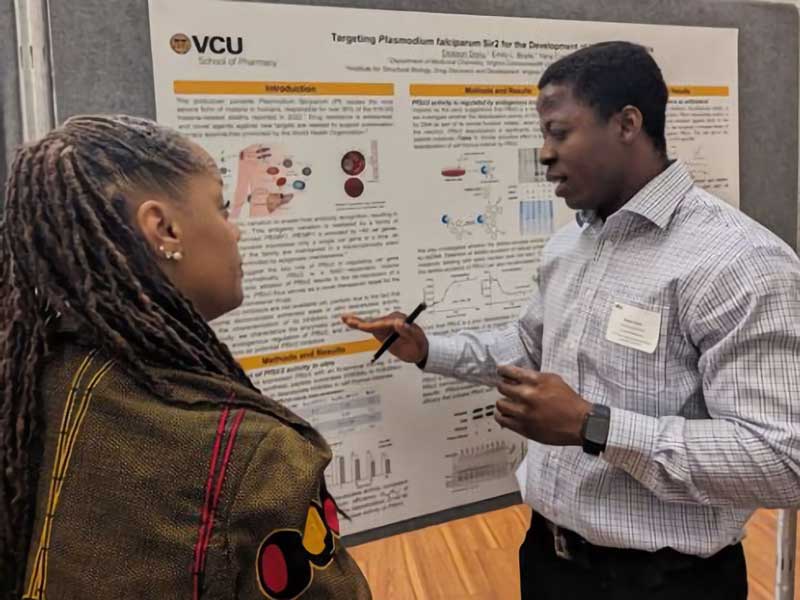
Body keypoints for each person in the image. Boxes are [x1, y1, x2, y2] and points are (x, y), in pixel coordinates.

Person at [343, 41, 800, 599]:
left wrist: (594, 426)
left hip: (663, 584)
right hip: (549, 561)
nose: (544, 154)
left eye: (559, 132)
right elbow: (529, 348)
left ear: (627, 124)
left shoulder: (739, 260)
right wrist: (425, 349)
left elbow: (783, 460)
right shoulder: (569, 246)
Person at [0, 115, 371, 599]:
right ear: (164, 228)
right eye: (221, 208)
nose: (235, 232)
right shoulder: (252, 456)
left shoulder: (29, 390)